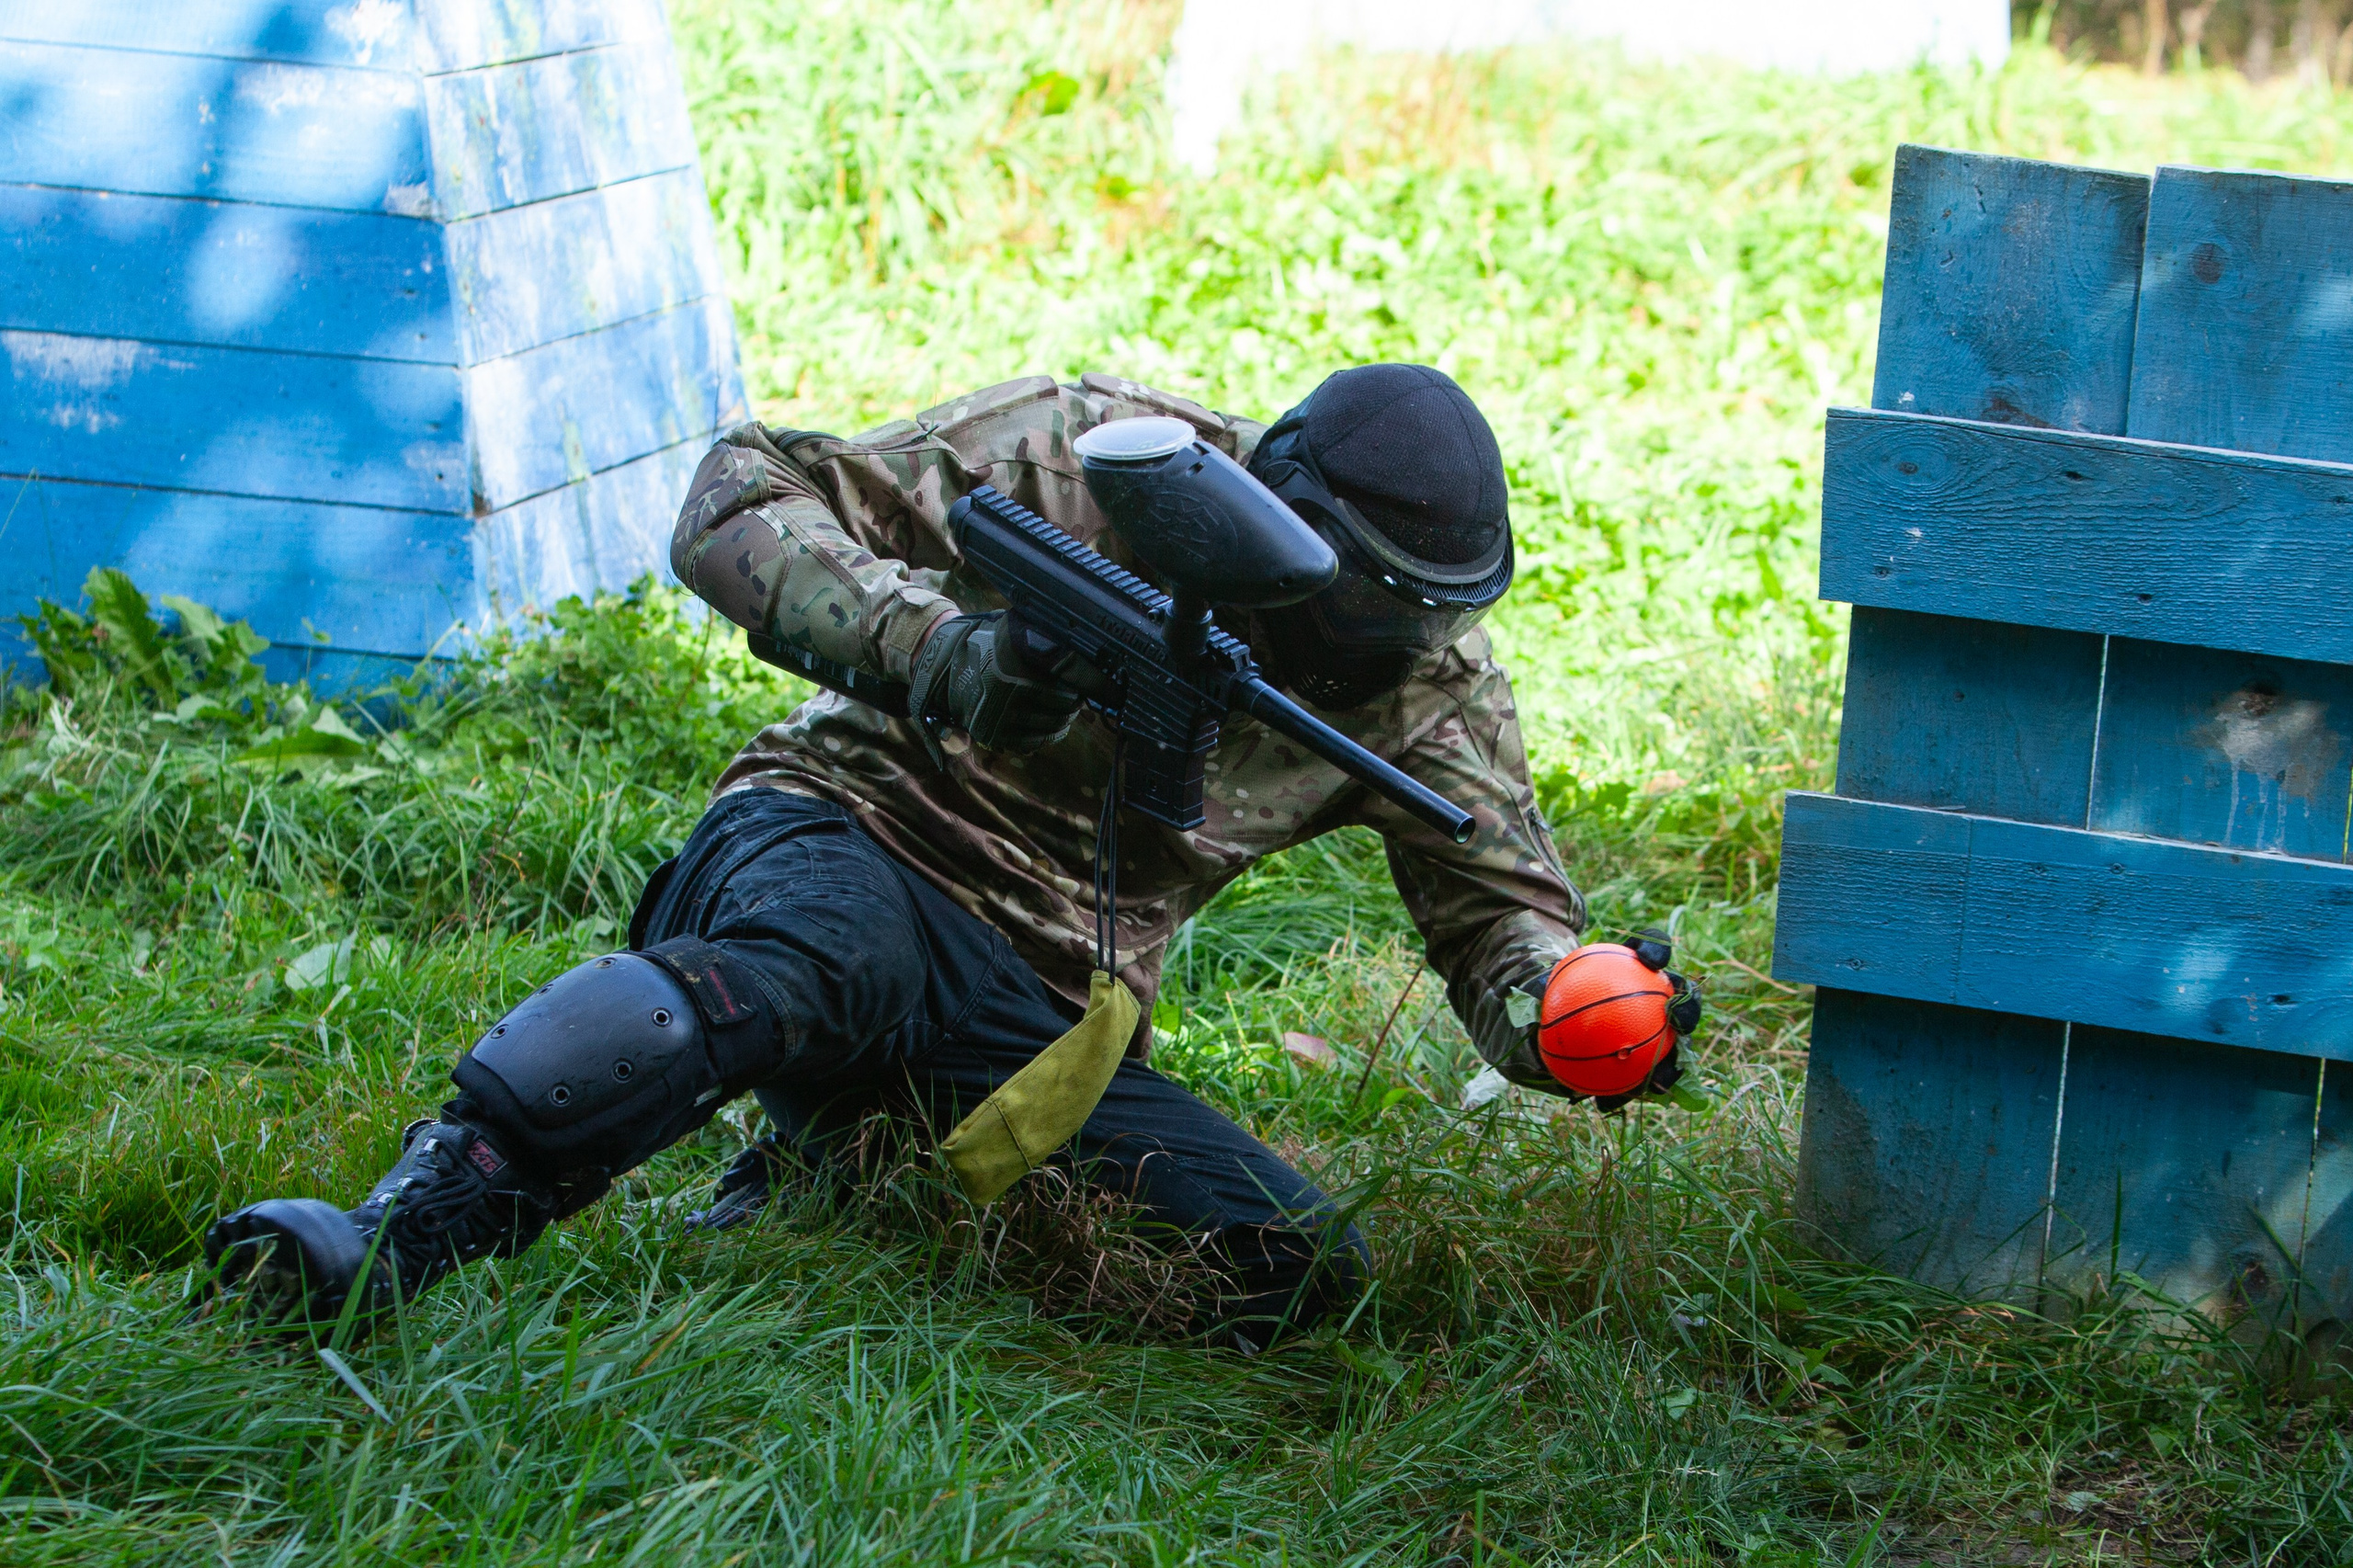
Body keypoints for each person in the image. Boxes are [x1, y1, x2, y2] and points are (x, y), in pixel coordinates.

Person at [204, 363, 1693, 1343]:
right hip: (843, 831)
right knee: (825, 967)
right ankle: (404, 1229)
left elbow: (1505, 927)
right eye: (1370, 604)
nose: (1398, 644)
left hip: (1042, 1008)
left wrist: (1579, 1022)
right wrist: (943, 649)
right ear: (1287, 516)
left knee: (1293, 1278)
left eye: (1431, 614)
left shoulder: (1425, 691)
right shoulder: (1097, 463)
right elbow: (737, 494)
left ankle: (838, 1173)